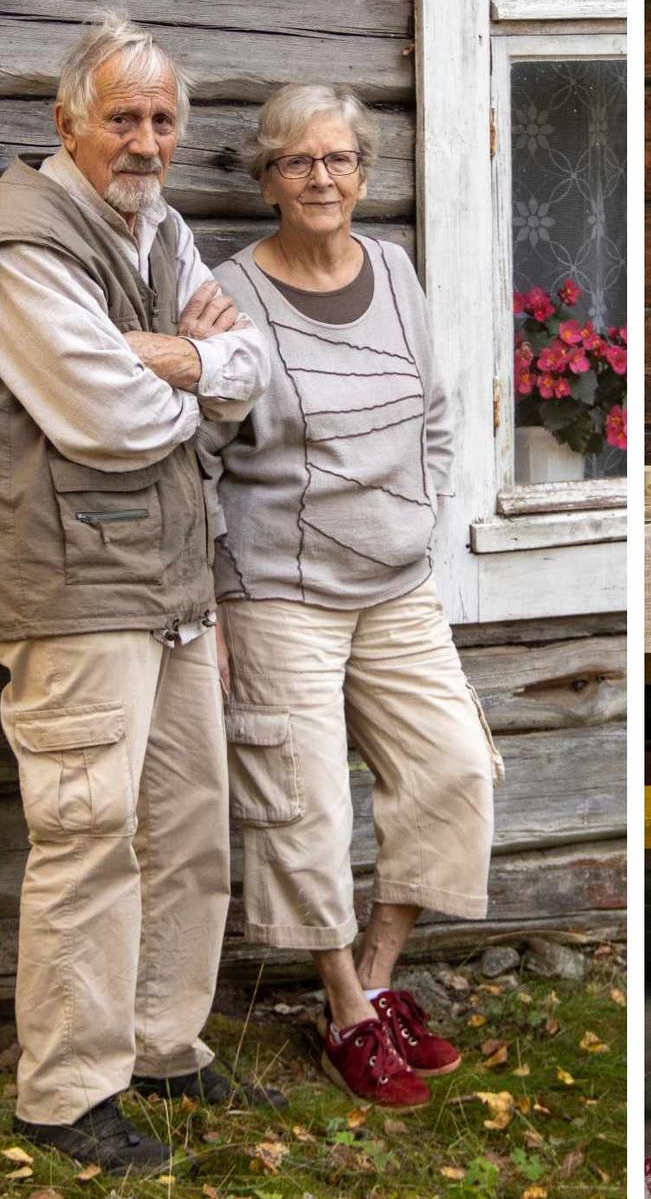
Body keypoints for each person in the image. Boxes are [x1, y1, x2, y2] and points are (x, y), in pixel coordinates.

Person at [0, 15, 278, 1171]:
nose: (144, 139)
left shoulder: (156, 225)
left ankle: (162, 1041)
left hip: (165, 577)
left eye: (162, 118)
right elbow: (105, 417)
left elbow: (244, 369)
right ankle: (67, 1093)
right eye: (121, 117)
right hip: (70, 586)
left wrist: (181, 356)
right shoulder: (17, 245)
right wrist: (185, 363)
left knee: (186, 826)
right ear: (65, 121)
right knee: (87, 834)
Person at [201, 83, 501, 1111]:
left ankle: (374, 971)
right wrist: (220, 597)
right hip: (281, 593)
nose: (320, 178)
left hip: (397, 587)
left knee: (453, 767)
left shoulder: (397, 270)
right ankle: (342, 1015)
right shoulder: (232, 295)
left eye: (337, 160)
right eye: (297, 162)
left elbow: (435, 414)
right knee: (304, 807)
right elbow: (197, 457)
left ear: (364, 173)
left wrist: (422, 516)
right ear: (267, 177)